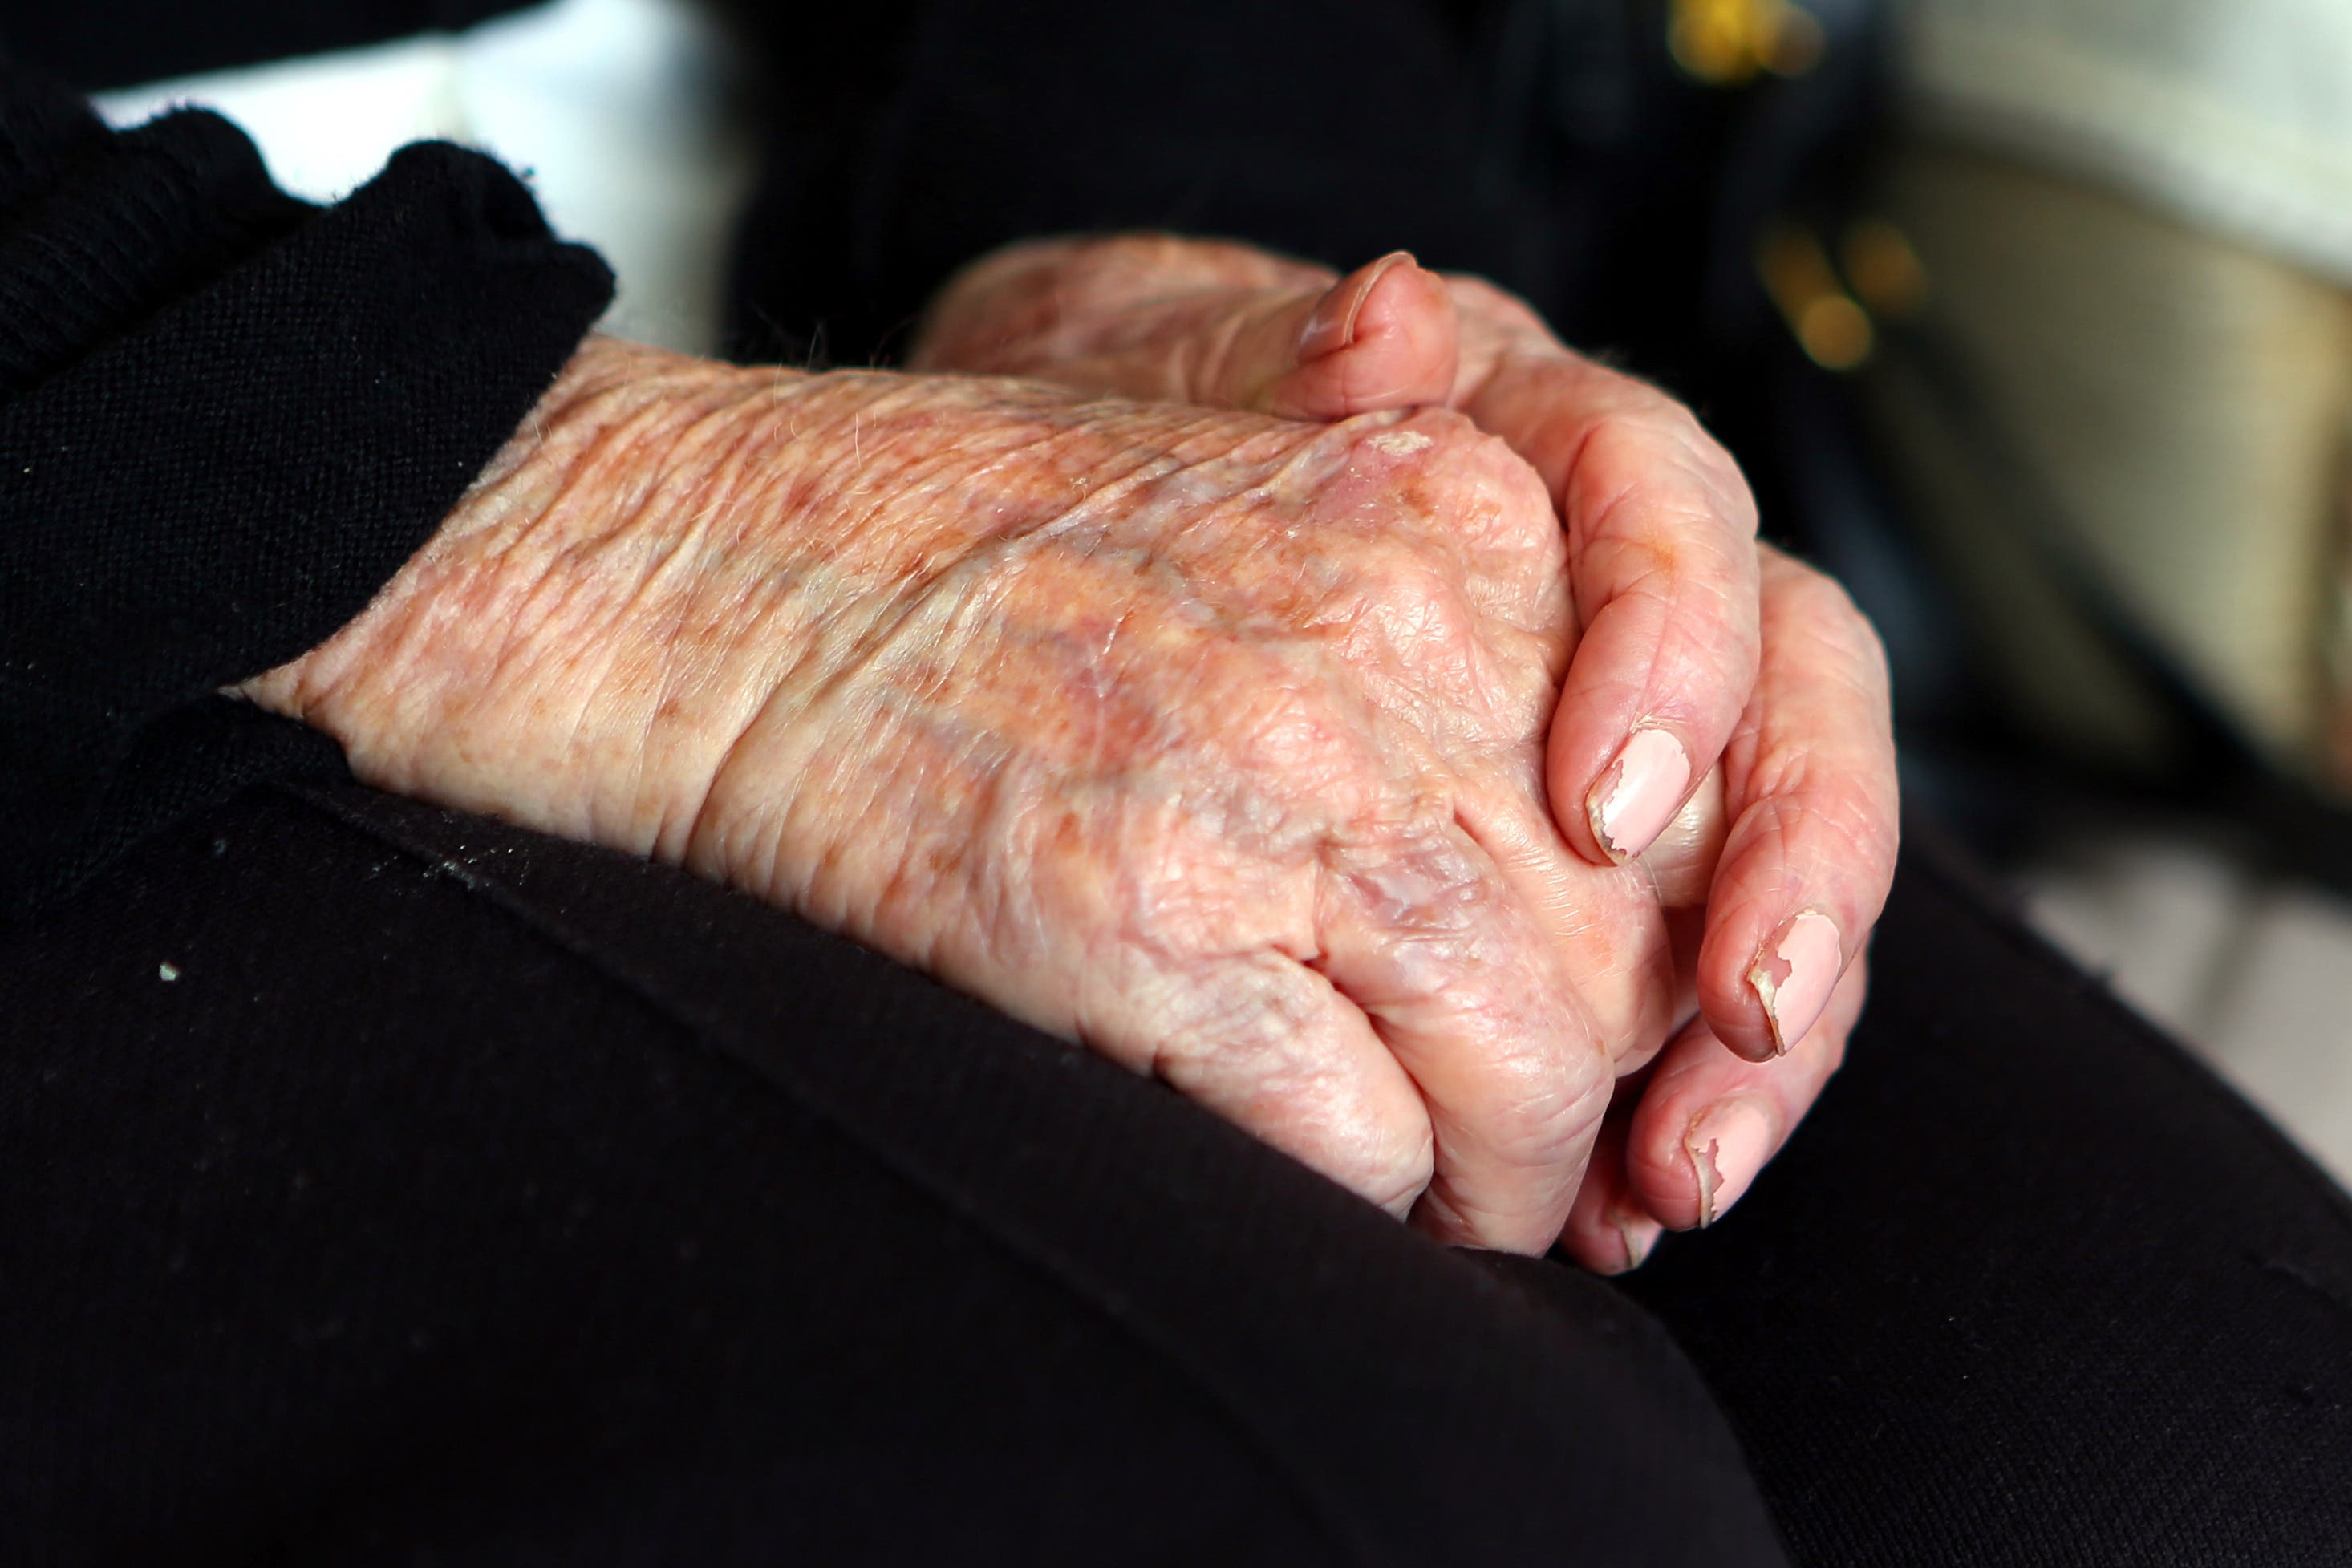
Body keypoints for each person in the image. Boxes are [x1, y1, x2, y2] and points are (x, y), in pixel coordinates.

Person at [4, 2, 2350, 1563]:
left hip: (772, 202)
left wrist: (1161, 244)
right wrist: (582, 530)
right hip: (111, 472)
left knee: (2207, 1448)